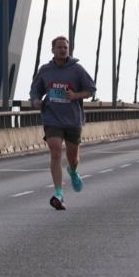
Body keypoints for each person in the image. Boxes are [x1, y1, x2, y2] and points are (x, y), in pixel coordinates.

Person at [29, 36, 97, 210]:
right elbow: (35, 90)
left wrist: (75, 95)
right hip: (52, 118)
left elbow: (90, 90)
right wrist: (36, 101)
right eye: (59, 47)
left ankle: (73, 172)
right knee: (56, 151)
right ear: (52, 50)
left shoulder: (77, 70)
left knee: (72, 157)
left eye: (65, 47)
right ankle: (59, 193)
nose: (62, 50)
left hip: (72, 119)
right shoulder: (45, 70)